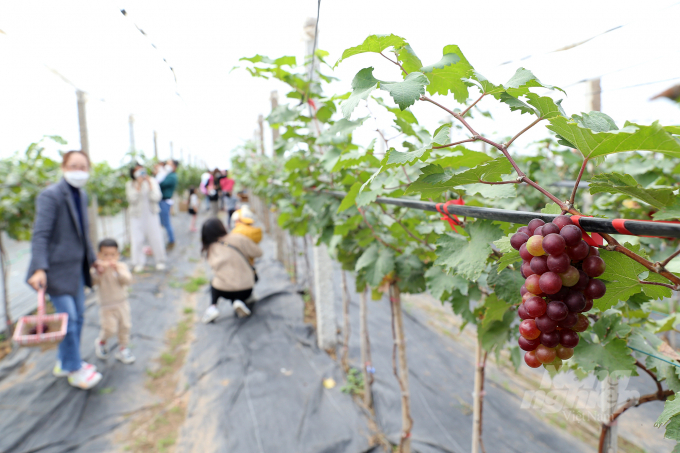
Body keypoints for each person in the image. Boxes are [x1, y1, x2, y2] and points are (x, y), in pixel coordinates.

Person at [27, 150, 103, 389]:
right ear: (63, 168)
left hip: (76, 269)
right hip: (55, 270)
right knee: (68, 321)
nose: (78, 171)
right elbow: (40, 234)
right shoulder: (50, 196)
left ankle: (65, 361)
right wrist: (39, 267)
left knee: (78, 317)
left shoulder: (81, 195)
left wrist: (92, 259)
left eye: (83, 167)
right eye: (73, 166)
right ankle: (74, 369)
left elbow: (83, 232)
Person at [201, 217, 262, 323]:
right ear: (221, 227)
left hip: (224, 291)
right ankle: (239, 300)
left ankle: (213, 307)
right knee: (240, 279)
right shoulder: (238, 238)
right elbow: (258, 253)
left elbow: (215, 268)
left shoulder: (210, 249)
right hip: (246, 289)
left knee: (215, 281)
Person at [92, 238, 135, 364]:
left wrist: (117, 270)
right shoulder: (98, 269)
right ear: (99, 255)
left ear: (118, 255)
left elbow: (127, 280)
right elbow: (92, 281)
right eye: (105, 255)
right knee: (109, 329)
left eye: (113, 255)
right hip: (106, 306)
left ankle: (123, 349)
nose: (109, 258)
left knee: (125, 327)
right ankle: (101, 341)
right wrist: (98, 272)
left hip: (122, 303)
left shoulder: (121, 267)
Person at [126, 163, 167, 273]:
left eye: (142, 169)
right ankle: (138, 262)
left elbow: (157, 197)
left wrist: (149, 186)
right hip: (136, 216)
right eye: (137, 170)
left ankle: (160, 261)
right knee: (137, 239)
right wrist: (138, 187)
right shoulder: (130, 184)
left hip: (151, 214)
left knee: (156, 237)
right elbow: (131, 199)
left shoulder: (152, 181)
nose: (140, 172)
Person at [159, 160, 178, 250]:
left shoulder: (172, 176)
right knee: (163, 223)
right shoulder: (167, 174)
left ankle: (171, 241)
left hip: (164, 202)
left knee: (166, 223)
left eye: (170, 164)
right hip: (162, 201)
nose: (167, 166)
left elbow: (161, 183)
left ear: (174, 166)